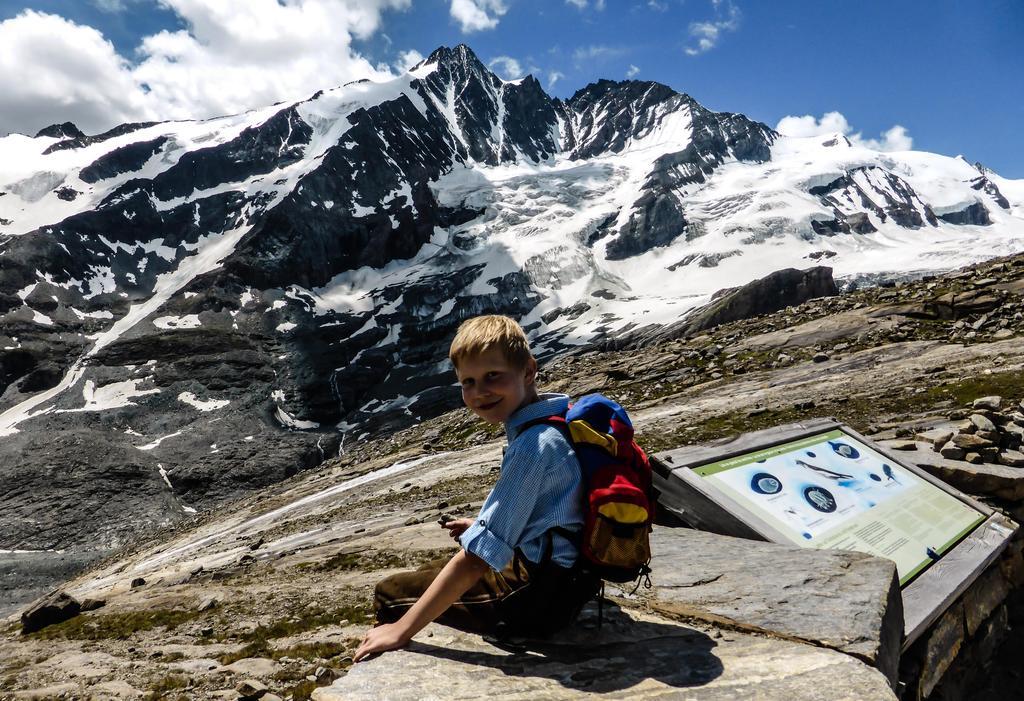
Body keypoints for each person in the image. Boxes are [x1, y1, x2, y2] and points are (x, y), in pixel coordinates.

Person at [353, 315, 599, 662]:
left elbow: (476, 562)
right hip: (569, 578)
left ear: (529, 371)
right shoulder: (558, 420)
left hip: (539, 597)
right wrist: (480, 527)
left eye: (492, 376)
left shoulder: (533, 447)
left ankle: (388, 649)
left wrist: (401, 629)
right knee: (434, 570)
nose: (480, 392)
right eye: (468, 382)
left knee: (391, 593)